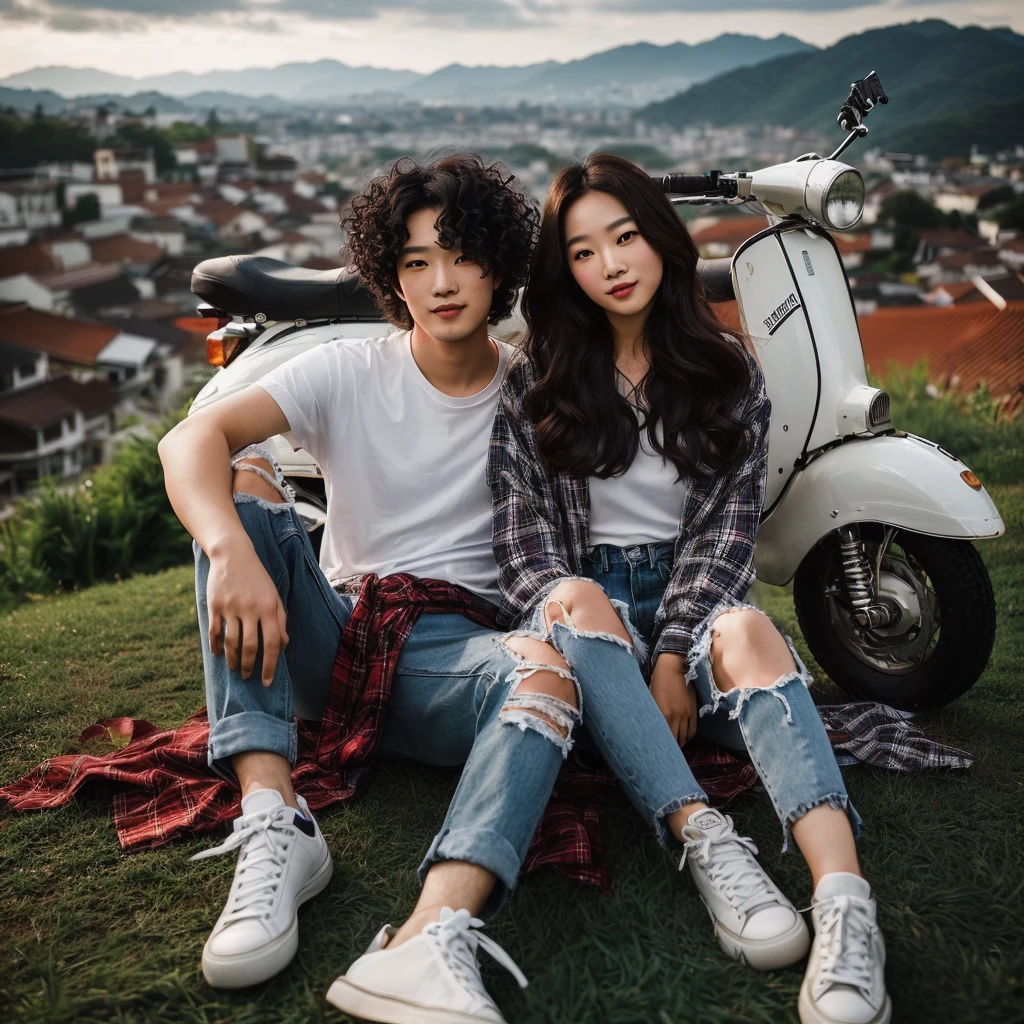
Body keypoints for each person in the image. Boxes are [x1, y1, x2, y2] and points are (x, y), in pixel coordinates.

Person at [160, 155, 581, 1021]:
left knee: (544, 675)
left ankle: (433, 934)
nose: (440, 281)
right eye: (415, 262)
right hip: (338, 637)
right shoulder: (351, 369)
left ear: (498, 265)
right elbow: (189, 439)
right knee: (245, 491)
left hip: (456, 660)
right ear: (392, 277)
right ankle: (277, 821)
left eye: (460, 254)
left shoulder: (533, 388)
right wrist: (227, 548)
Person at [487, 153, 891, 1024]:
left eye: (625, 237)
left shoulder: (727, 368)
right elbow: (526, 554)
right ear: (566, 270)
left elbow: (722, 536)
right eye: (584, 252)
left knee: (750, 634)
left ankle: (847, 904)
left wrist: (672, 653)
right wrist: (613, 653)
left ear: (661, 239)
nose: (611, 266)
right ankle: (707, 840)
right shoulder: (535, 377)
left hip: (692, 600)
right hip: (585, 613)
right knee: (575, 603)